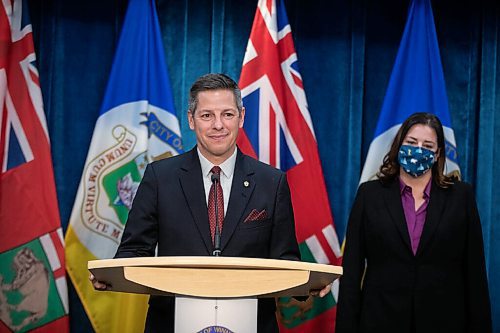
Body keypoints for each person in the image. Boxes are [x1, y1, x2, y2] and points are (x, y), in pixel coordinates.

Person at [90, 73, 330, 333]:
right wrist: (110, 274)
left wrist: (309, 283)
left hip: (251, 323)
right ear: (191, 120)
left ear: (242, 116)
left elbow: (285, 261)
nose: (218, 125)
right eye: (207, 115)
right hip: (171, 322)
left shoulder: (271, 182)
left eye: (227, 114)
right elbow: (135, 250)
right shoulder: (160, 177)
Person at [336, 112, 492, 333]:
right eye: (411, 142)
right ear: (399, 145)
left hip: (444, 322)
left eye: (428, 145)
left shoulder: (461, 196)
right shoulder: (369, 195)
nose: (418, 149)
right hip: (380, 321)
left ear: (438, 155)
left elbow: (475, 274)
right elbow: (351, 271)